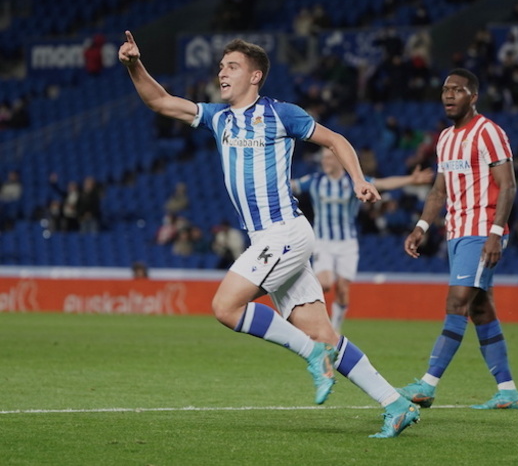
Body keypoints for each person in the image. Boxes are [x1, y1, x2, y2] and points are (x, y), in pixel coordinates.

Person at [118, 31, 419, 438]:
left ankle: (310, 354)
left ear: (255, 75)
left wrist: (358, 179)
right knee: (324, 332)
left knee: (225, 307)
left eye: (232, 66)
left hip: (286, 233)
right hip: (267, 240)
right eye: (221, 66)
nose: (222, 72)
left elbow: (335, 139)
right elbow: (159, 101)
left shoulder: (280, 114)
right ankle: (395, 403)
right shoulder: (218, 117)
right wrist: (134, 64)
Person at [397, 68, 518, 410]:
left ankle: (427, 384)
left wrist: (496, 234)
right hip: (457, 232)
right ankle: (508, 390)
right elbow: (439, 190)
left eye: (458, 90)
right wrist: (422, 226)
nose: (449, 95)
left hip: (483, 231)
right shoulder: (445, 138)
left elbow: (509, 185)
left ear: (473, 96)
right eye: (445, 90)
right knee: (480, 308)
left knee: (457, 303)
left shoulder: (489, 132)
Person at [291, 147, 434, 332]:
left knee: (343, 290)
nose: (325, 161)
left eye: (328, 158)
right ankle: (313, 318)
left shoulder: (353, 182)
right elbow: (291, 185)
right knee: (324, 284)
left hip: (347, 243)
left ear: (339, 160)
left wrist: (411, 179)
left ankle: (335, 330)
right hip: (323, 242)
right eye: (324, 158)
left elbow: (382, 184)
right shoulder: (315, 181)